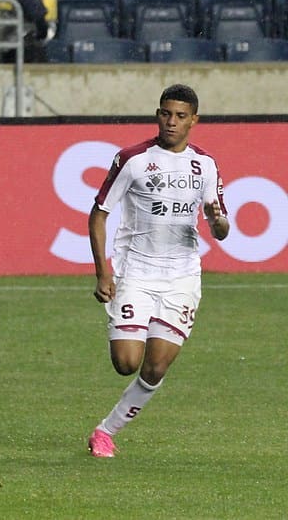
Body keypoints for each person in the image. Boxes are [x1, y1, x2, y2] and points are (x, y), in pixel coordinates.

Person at [87, 84, 230, 458]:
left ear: (194, 120)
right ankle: (127, 328)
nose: (171, 122)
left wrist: (217, 221)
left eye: (180, 116)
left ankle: (105, 432)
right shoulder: (132, 159)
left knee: (156, 367)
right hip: (136, 272)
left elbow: (222, 229)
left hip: (182, 277)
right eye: (166, 113)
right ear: (157, 114)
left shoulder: (206, 165)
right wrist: (104, 272)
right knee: (126, 363)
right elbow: (98, 214)